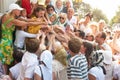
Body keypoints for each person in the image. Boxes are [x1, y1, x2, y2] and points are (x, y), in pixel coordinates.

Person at [0, 3, 43, 74]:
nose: (20, 12)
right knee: (5, 62)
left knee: (5, 62)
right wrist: (41, 23)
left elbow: (27, 21)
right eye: (18, 10)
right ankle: (5, 76)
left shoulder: (7, 16)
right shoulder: (11, 20)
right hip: (6, 43)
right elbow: (26, 24)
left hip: (6, 41)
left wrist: (37, 21)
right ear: (14, 11)